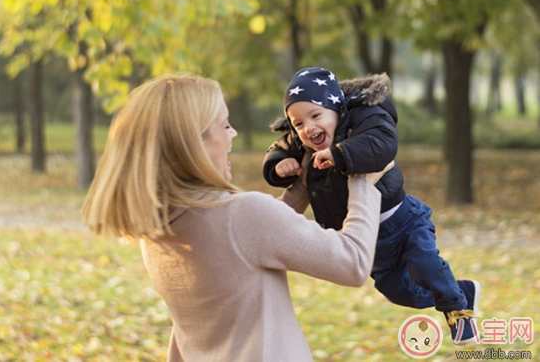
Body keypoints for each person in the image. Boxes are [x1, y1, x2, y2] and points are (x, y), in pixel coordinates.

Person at [82, 73, 392, 362]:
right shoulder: (242, 215)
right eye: (225, 125)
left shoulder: (156, 227)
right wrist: (362, 182)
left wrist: (302, 187)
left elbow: (245, 244)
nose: (234, 133)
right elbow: (351, 263)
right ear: (194, 143)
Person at [262, 67, 480, 345]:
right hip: (369, 240)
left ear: (337, 108)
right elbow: (278, 147)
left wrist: (340, 154)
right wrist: (279, 164)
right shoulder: (302, 141)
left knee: (426, 266)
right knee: (399, 291)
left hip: (403, 222)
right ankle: (461, 291)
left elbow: (381, 144)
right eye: (298, 123)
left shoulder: (365, 117)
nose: (308, 129)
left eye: (316, 116)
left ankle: (458, 312)